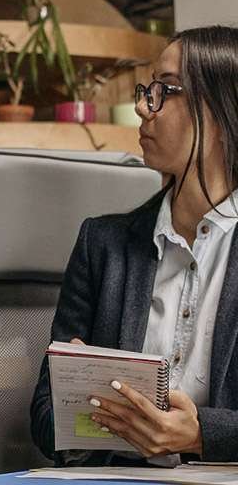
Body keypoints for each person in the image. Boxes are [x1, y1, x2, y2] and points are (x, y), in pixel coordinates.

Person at [31, 25, 238, 464]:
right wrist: (89, 404)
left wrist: (201, 433)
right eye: (148, 90)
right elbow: (45, 418)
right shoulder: (102, 245)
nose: (143, 107)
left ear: (223, 112)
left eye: (166, 90)